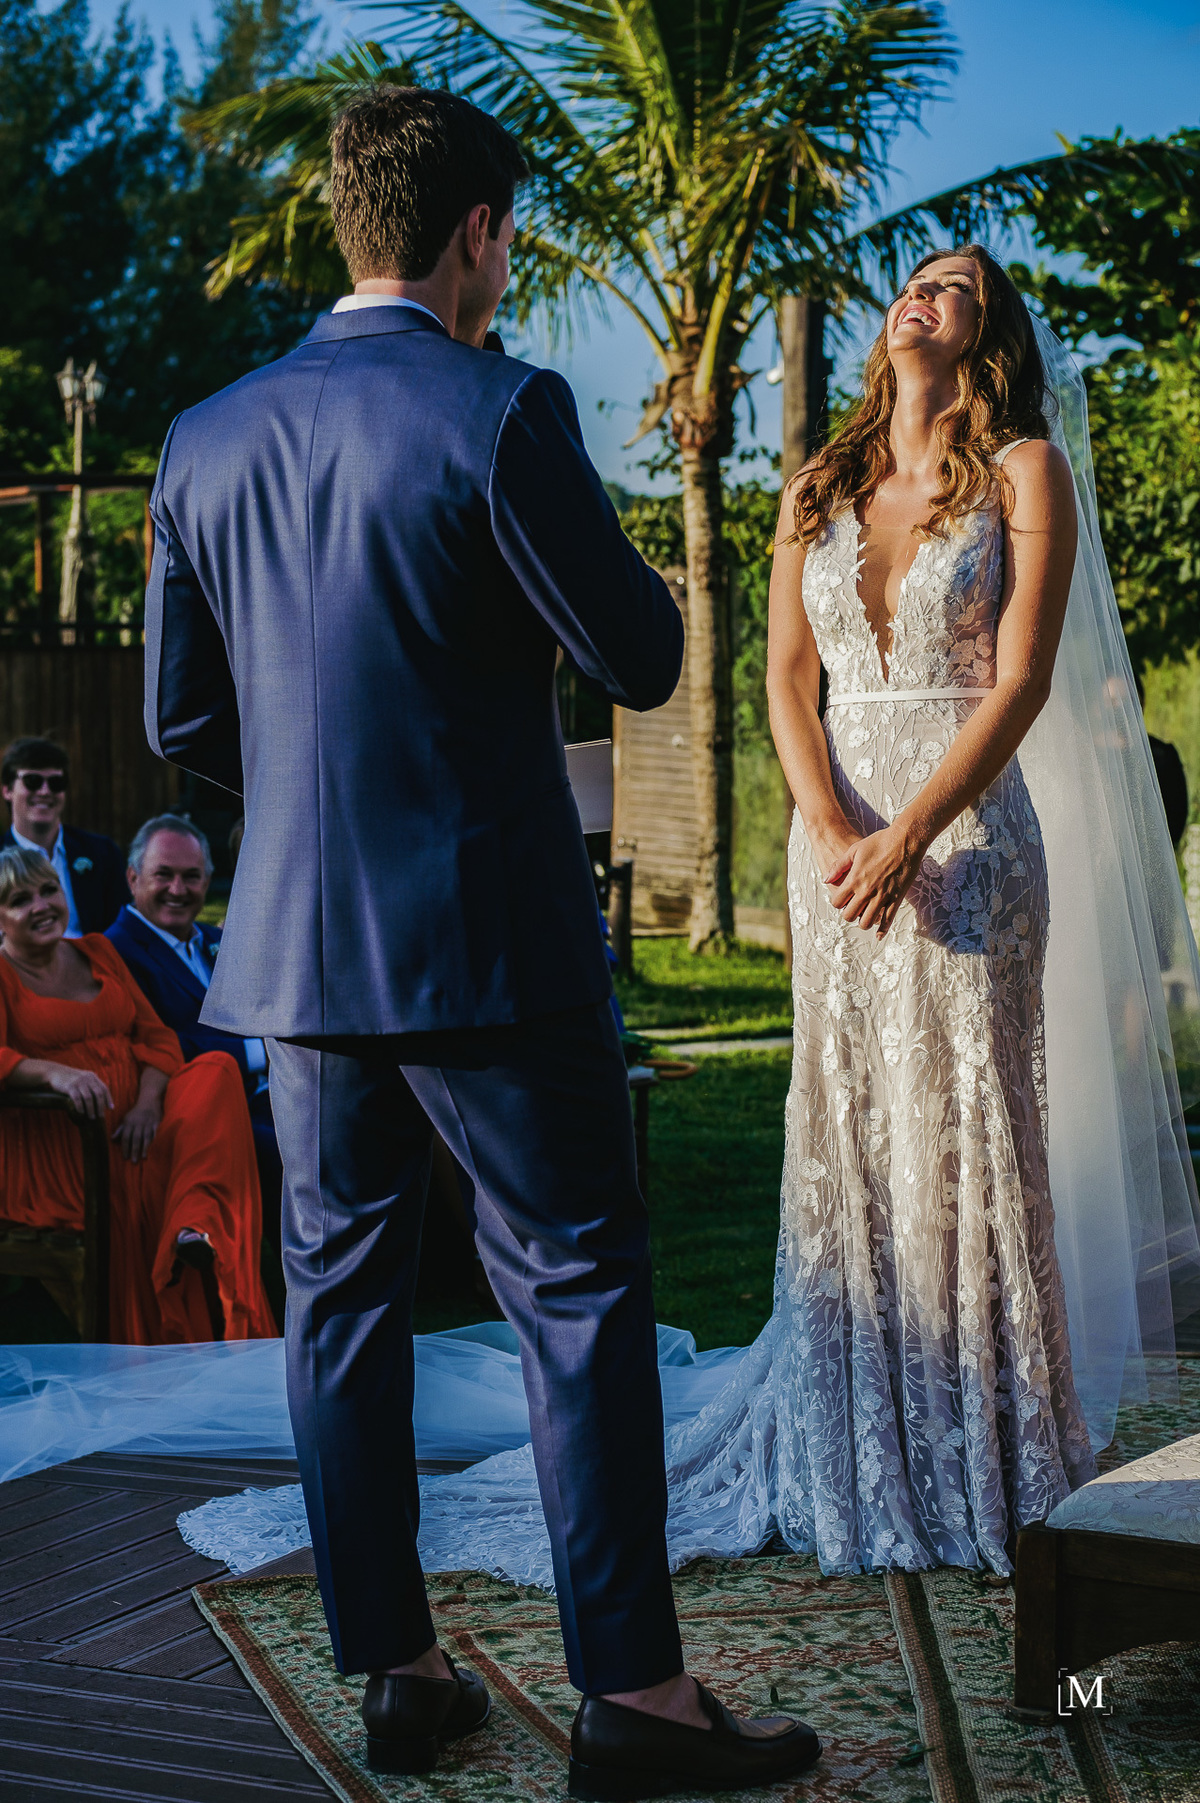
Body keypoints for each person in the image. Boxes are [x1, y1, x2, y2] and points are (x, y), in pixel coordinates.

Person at [142, 83, 819, 1797]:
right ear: (481, 234)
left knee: (339, 1303)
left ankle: (400, 1668)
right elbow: (643, 652)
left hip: (299, 956)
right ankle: (638, 1697)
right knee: (575, 1288)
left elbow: (178, 716)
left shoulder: (204, 435)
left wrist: (318, 803)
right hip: (493, 943)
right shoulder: (503, 407)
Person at [0, 846, 276, 1344]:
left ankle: (194, 1227)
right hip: (68, 1146)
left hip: (137, 1126)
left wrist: (148, 1104)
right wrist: (54, 1074)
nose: (41, 905)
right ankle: (192, 1246)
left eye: (48, 890)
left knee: (216, 1069)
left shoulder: (96, 951)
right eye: (20, 900)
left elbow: (157, 1038)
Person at [106, 814, 283, 1255]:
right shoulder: (115, 952)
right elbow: (158, 1042)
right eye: (163, 875)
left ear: (207, 880)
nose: (178, 889)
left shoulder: (213, 938)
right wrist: (262, 1052)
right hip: (200, 1112)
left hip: (273, 1093)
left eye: (191, 876)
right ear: (132, 878)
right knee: (295, 1151)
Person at [1, 738, 128, 934]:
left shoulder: (102, 853)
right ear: (7, 790)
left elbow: (121, 927)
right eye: (32, 781)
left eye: (56, 783)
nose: (45, 791)